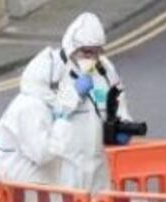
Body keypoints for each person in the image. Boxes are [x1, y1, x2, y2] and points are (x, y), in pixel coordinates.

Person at [52, 12, 133, 192]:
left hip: (97, 164)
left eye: (97, 52)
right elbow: (48, 113)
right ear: (72, 47)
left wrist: (123, 124)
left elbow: (118, 99)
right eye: (87, 52)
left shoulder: (105, 68)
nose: (92, 58)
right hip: (65, 166)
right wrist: (73, 94)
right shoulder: (55, 70)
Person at [0, 46, 73, 184]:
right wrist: (63, 119)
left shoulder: (38, 103)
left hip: (32, 189)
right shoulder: (31, 108)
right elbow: (43, 153)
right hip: (26, 191)